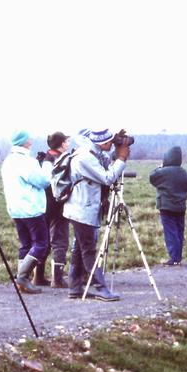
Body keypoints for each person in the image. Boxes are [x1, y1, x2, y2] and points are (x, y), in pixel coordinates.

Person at [62, 128, 129, 302]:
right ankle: (101, 288)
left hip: (80, 208)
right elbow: (108, 177)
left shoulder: (91, 151)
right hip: (81, 210)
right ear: (102, 143)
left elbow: (106, 162)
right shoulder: (86, 157)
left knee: (79, 248)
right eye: (110, 142)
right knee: (89, 249)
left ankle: (75, 287)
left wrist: (115, 147)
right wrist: (121, 157)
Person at [1, 130, 51, 294]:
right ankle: (23, 277)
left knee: (26, 244)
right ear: (25, 142)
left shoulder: (8, 161)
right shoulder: (26, 162)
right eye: (29, 138)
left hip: (15, 209)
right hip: (31, 208)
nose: (32, 139)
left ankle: (22, 281)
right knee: (41, 244)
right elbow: (43, 181)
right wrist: (46, 166)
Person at [35, 132, 71, 287]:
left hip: (44, 204)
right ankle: (57, 279)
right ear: (61, 144)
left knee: (44, 240)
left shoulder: (45, 158)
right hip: (58, 204)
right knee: (60, 240)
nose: (68, 144)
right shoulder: (60, 159)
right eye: (66, 141)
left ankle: (38, 276)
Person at [149, 146, 187, 265]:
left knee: (170, 232)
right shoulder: (183, 172)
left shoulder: (163, 172)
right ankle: (178, 256)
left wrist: (160, 166)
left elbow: (152, 177)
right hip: (181, 206)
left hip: (166, 206)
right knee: (179, 231)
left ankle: (174, 257)